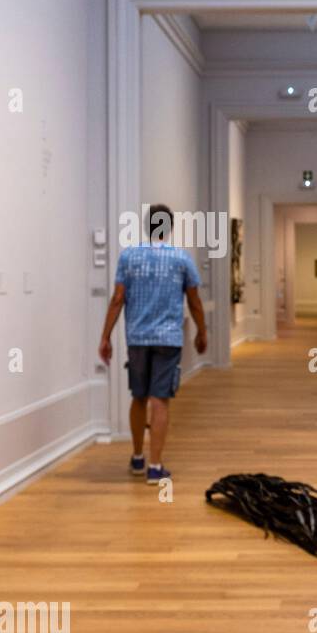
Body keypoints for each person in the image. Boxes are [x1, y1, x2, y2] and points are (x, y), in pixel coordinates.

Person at [98, 204, 207, 485]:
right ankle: (155, 466)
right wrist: (202, 331)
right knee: (160, 400)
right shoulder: (181, 259)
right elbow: (194, 302)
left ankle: (137, 458)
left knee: (138, 397)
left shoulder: (129, 257)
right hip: (168, 339)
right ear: (169, 228)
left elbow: (117, 299)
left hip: (137, 339)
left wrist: (105, 336)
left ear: (147, 226)